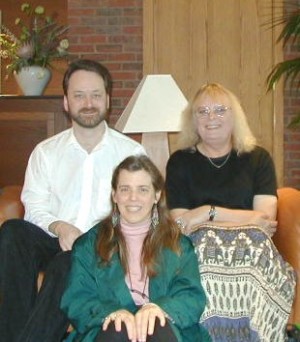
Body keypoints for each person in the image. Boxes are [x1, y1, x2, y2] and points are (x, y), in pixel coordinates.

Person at [0, 59, 146, 342]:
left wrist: (88, 239)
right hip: (55, 239)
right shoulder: (46, 152)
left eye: (95, 95)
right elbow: (35, 208)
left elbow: (138, 212)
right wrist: (60, 227)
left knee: (66, 264)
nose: (88, 102)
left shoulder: (131, 153)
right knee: (12, 232)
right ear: (66, 102)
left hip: (104, 247)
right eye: (79, 95)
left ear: (107, 100)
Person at [165, 83, 296, 341]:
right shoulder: (180, 162)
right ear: (193, 121)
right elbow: (180, 224)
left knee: (251, 250)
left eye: (220, 110)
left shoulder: (258, 159)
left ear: (234, 116)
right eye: (202, 112)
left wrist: (207, 213)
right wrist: (245, 219)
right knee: (204, 254)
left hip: (253, 257)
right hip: (200, 255)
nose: (211, 118)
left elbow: (266, 222)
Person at [61, 155, 210, 342]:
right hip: (106, 330)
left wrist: (159, 309)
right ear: (114, 195)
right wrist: (110, 313)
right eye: (125, 189)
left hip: (167, 329)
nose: (133, 198)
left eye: (143, 190)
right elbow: (77, 300)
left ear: (156, 195)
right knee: (117, 328)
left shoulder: (178, 244)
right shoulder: (88, 245)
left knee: (156, 326)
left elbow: (191, 296)